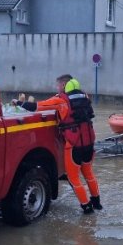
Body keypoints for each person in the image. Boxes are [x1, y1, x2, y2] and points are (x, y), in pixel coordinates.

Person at [12, 74, 102, 214]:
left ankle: (87, 207)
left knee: (73, 179)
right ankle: (97, 203)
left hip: (73, 146)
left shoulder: (61, 100)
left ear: (64, 86)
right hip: (89, 143)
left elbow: (37, 106)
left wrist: (18, 103)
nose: (57, 88)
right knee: (89, 173)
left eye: (58, 85)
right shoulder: (85, 98)